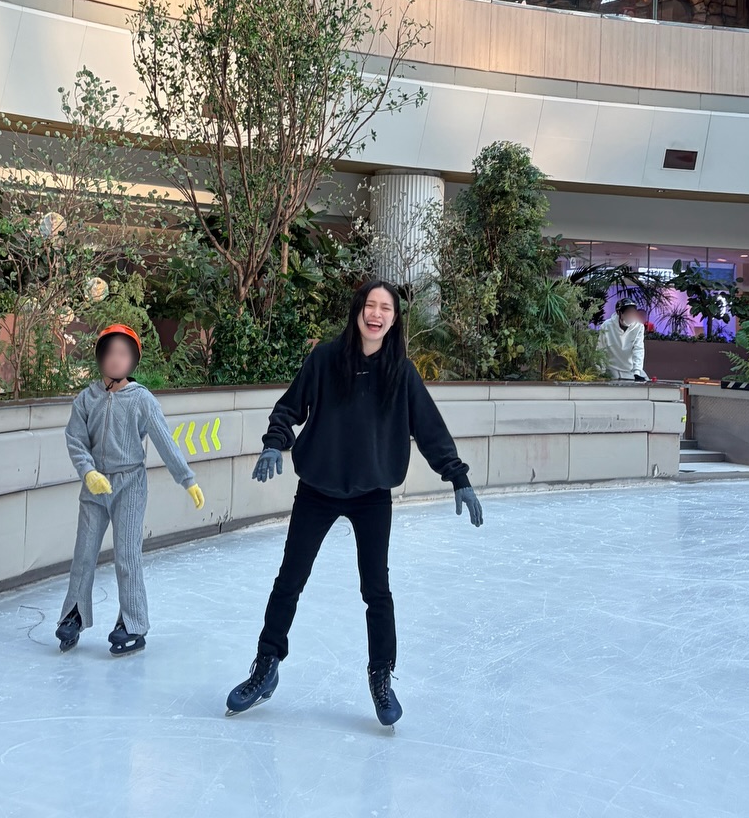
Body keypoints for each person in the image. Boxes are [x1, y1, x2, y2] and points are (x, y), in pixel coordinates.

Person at [224, 279, 485, 726]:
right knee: (289, 580)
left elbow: (430, 429)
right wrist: (274, 442)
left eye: (386, 308)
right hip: (318, 489)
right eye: (370, 305)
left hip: (371, 496)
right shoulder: (325, 359)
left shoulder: (401, 372)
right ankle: (266, 666)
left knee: (376, 590)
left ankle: (381, 677)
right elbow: (289, 408)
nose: (376, 314)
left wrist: (457, 475)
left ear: (394, 319)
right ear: (358, 310)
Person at [55, 324, 204, 656]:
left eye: (123, 354)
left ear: (133, 360)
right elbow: (75, 439)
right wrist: (88, 471)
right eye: (110, 353)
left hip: (129, 485)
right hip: (95, 485)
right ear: (100, 358)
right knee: (83, 553)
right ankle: (74, 614)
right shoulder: (87, 399)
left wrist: (187, 479)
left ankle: (132, 622)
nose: (115, 359)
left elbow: (164, 440)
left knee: (127, 554)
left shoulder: (141, 400)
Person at [599, 299, 648, 381]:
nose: (630, 316)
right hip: (612, 368)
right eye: (628, 313)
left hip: (630, 369)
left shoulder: (639, 327)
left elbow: (638, 349)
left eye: (633, 313)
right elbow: (601, 349)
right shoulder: (607, 326)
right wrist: (601, 371)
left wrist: (637, 371)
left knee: (645, 382)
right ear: (619, 313)